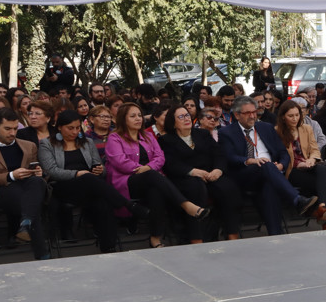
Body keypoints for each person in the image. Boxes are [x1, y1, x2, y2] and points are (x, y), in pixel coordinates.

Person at [105, 102, 209, 248]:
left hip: (152, 179)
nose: (138, 119)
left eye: (140, 115)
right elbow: (119, 161)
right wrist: (142, 169)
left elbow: (160, 157)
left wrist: (148, 167)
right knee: (152, 177)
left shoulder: (147, 135)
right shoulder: (114, 138)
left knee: (156, 191)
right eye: (133, 116)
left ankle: (155, 238)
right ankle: (186, 205)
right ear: (123, 119)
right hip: (128, 181)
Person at [40, 109, 145, 252]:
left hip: (89, 186)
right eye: (70, 128)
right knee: (89, 179)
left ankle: (109, 247)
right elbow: (52, 171)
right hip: (62, 187)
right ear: (59, 127)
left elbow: (100, 166)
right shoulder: (47, 144)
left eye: (78, 128)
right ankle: (127, 205)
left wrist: (100, 170)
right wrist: (78, 173)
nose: (75, 132)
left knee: (103, 201)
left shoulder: (87, 142)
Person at [219, 96, 323, 235]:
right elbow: (229, 157)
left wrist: (281, 165)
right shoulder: (226, 132)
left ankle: (276, 235)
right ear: (237, 115)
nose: (252, 116)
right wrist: (249, 160)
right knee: (265, 164)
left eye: (254, 112)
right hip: (246, 174)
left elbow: (283, 153)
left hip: (271, 174)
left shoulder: (266, 127)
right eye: (247, 113)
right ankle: (297, 199)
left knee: (269, 187)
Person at [0, 108, 50, 260]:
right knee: (30, 202)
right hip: (1, 192)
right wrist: (11, 176)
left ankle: (26, 222)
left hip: (28, 189)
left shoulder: (28, 146)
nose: (13, 133)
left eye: (15, 128)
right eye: (7, 129)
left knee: (36, 182)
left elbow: (37, 173)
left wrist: (40, 173)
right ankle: (41, 253)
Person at [160, 105, 245, 242]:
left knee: (228, 188)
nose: (186, 118)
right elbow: (170, 164)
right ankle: (196, 238)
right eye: (181, 117)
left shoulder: (203, 134)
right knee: (195, 189)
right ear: (173, 122)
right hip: (185, 177)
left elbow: (219, 154)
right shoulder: (166, 140)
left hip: (210, 174)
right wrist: (193, 171)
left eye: (187, 115)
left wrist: (218, 169)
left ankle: (232, 233)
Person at [275, 99, 326, 229]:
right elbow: (281, 156)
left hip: (308, 166)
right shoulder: (277, 131)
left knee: (322, 169)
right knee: (324, 183)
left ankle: (322, 208)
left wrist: (312, 160)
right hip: (291, 170)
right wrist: (298, 164)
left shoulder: (306, 128)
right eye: (290, 116)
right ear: (283, 117)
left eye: (297, 115)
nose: (295, 118)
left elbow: (315, 149)